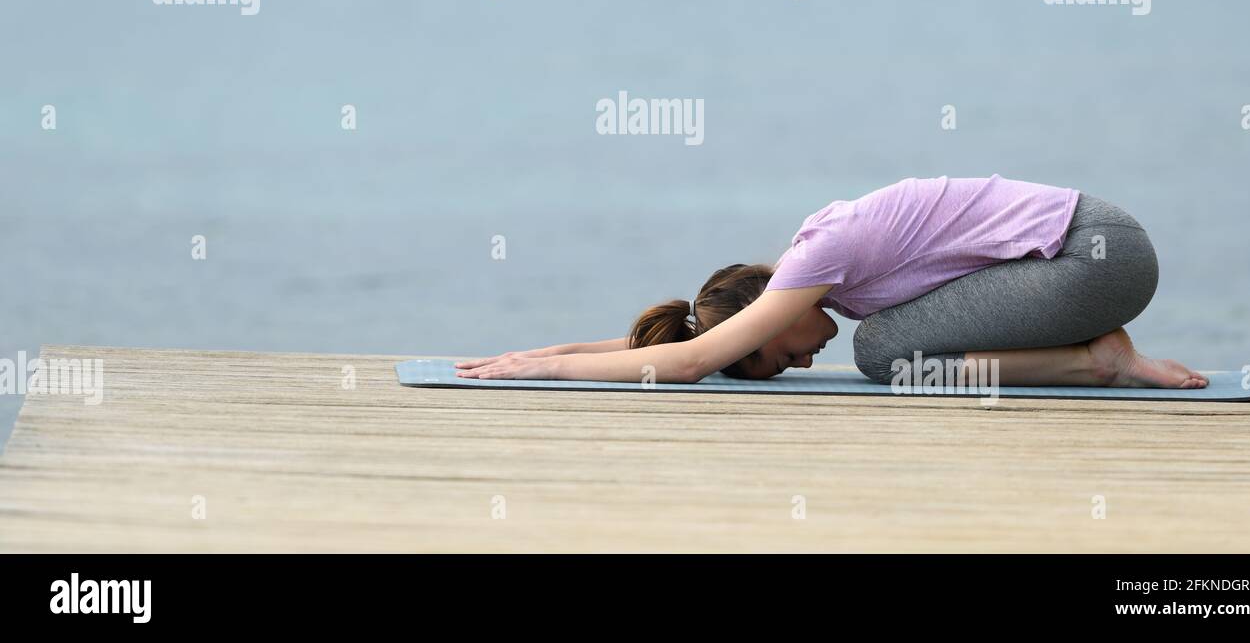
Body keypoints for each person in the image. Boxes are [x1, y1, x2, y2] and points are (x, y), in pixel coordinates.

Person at [455, 175, 1207, 390]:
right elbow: (678, 344)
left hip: (1096, 252)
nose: (807, 361)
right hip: (1091, 257)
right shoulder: (825, 273)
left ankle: (1096, 363)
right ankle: (1096, 357)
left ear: (760, 315)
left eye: (782, 357)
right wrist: (545, 348)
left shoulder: (817, 261)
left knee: (886, 357)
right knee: (890, 349)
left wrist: (547, 369)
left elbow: (687, 363)